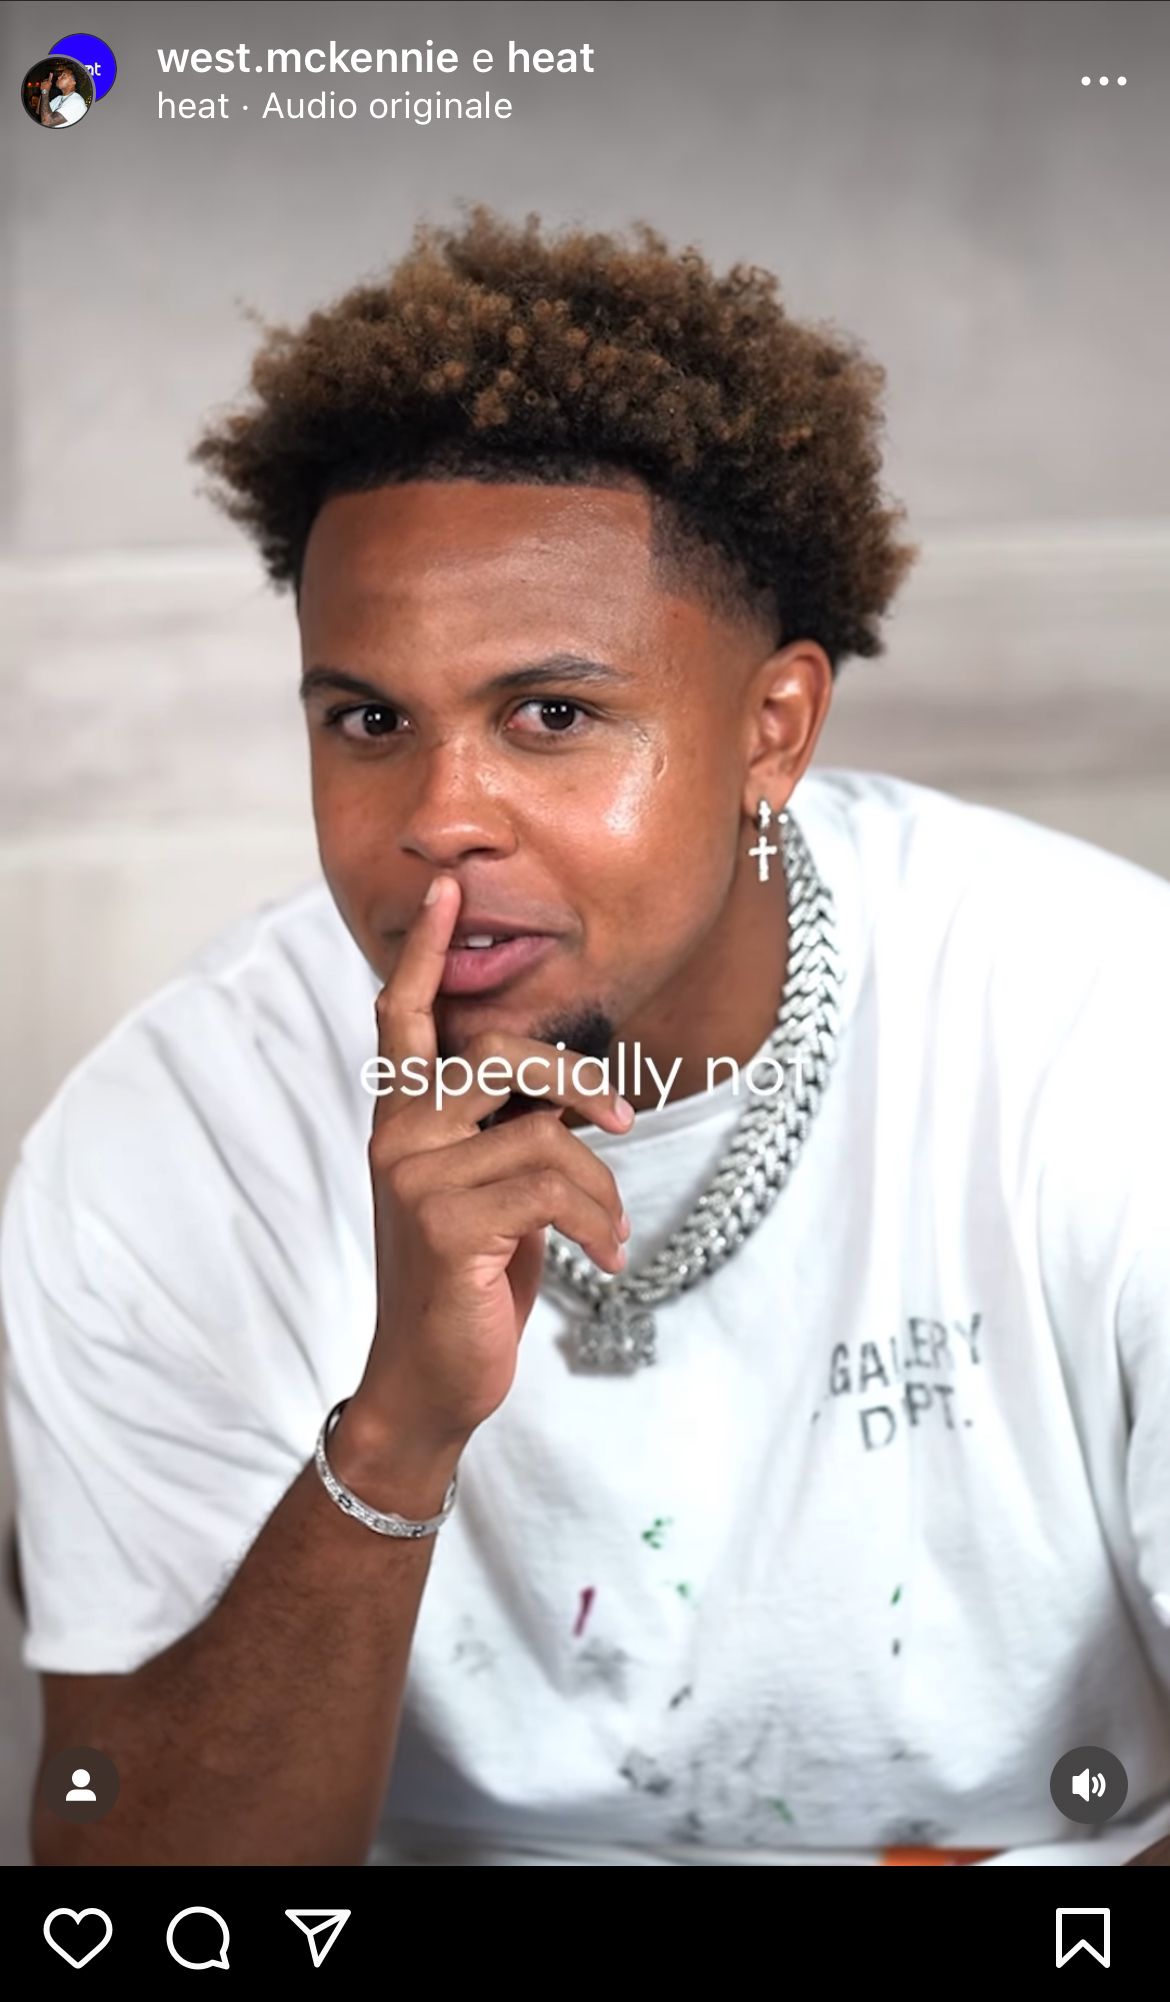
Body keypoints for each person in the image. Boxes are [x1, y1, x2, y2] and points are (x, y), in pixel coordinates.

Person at [3, 208, 1170, 1869]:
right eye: (369, 719)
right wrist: (395, 1433)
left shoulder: (1105, 1033)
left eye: (550, 715)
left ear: (772, 730)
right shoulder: (171, 1135)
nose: (440, 818)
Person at [36, 62, 89, 128]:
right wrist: (43, 90)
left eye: (63, 75)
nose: (58, 77)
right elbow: (39, 111)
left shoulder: (77, 101)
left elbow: (46, 122)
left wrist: (45, 91)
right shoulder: (58, 98)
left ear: (73, 82)